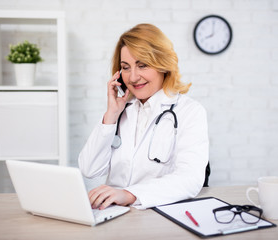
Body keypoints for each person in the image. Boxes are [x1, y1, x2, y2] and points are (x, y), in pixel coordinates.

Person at [78, 23, 209, 210]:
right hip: (116, 214)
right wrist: (111, 115)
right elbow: (89, 169)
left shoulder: (189, 111)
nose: (132, 77)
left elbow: (190, 178)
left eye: (142, 65)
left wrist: (130, 194)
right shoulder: (121, 110)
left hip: (159, 214)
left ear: (163, 65)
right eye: (125, 67)